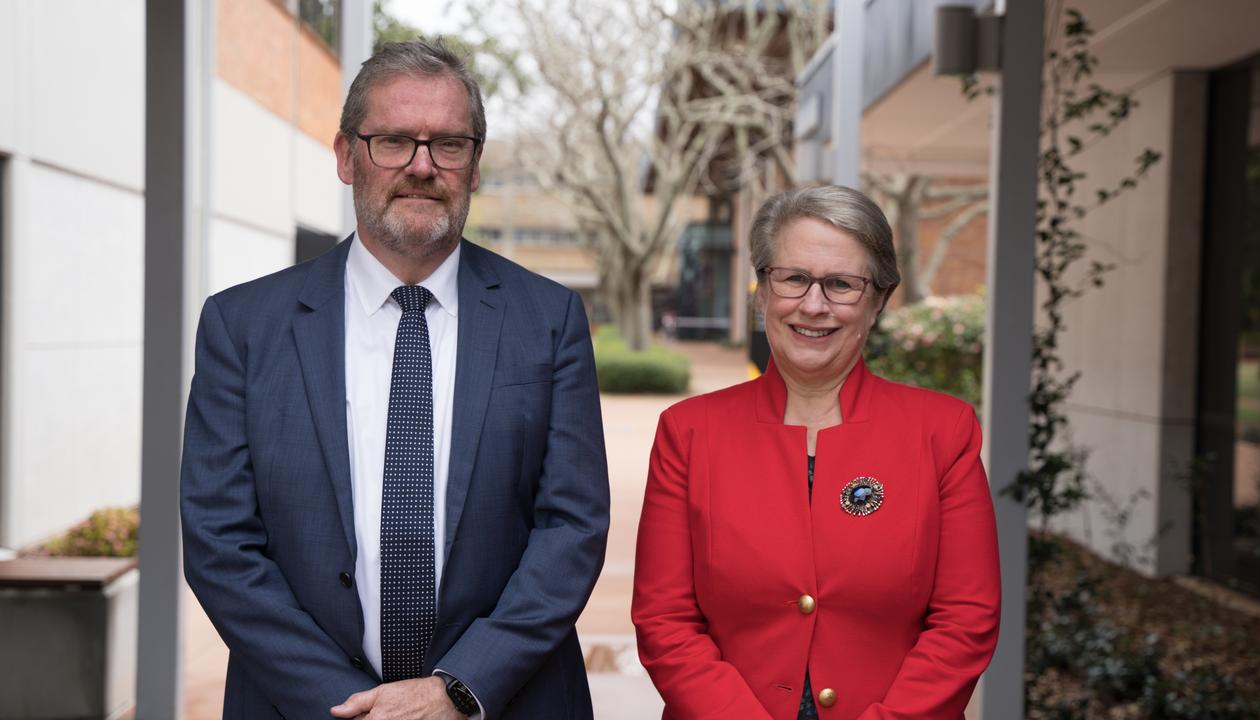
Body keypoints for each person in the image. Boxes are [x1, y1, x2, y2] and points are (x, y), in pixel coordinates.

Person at [181, 38, 609, 720]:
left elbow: (572, 529)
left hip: (504, 702)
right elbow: (219, 541)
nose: (421, 165)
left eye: (448, 144)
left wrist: (458, 689)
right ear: (347, 156)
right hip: (305, 707)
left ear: (474, 166)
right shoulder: (244, 326)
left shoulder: (548, 320)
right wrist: (349, 704)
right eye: (393, 141)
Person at [631, 185, 1000, 719]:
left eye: (842, 284)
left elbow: (967, 619)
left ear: (878, 301)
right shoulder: (688, 433)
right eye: (794, 278)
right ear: (762, 291)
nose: (813, 304)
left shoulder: (943, 432)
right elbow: (665, 621)